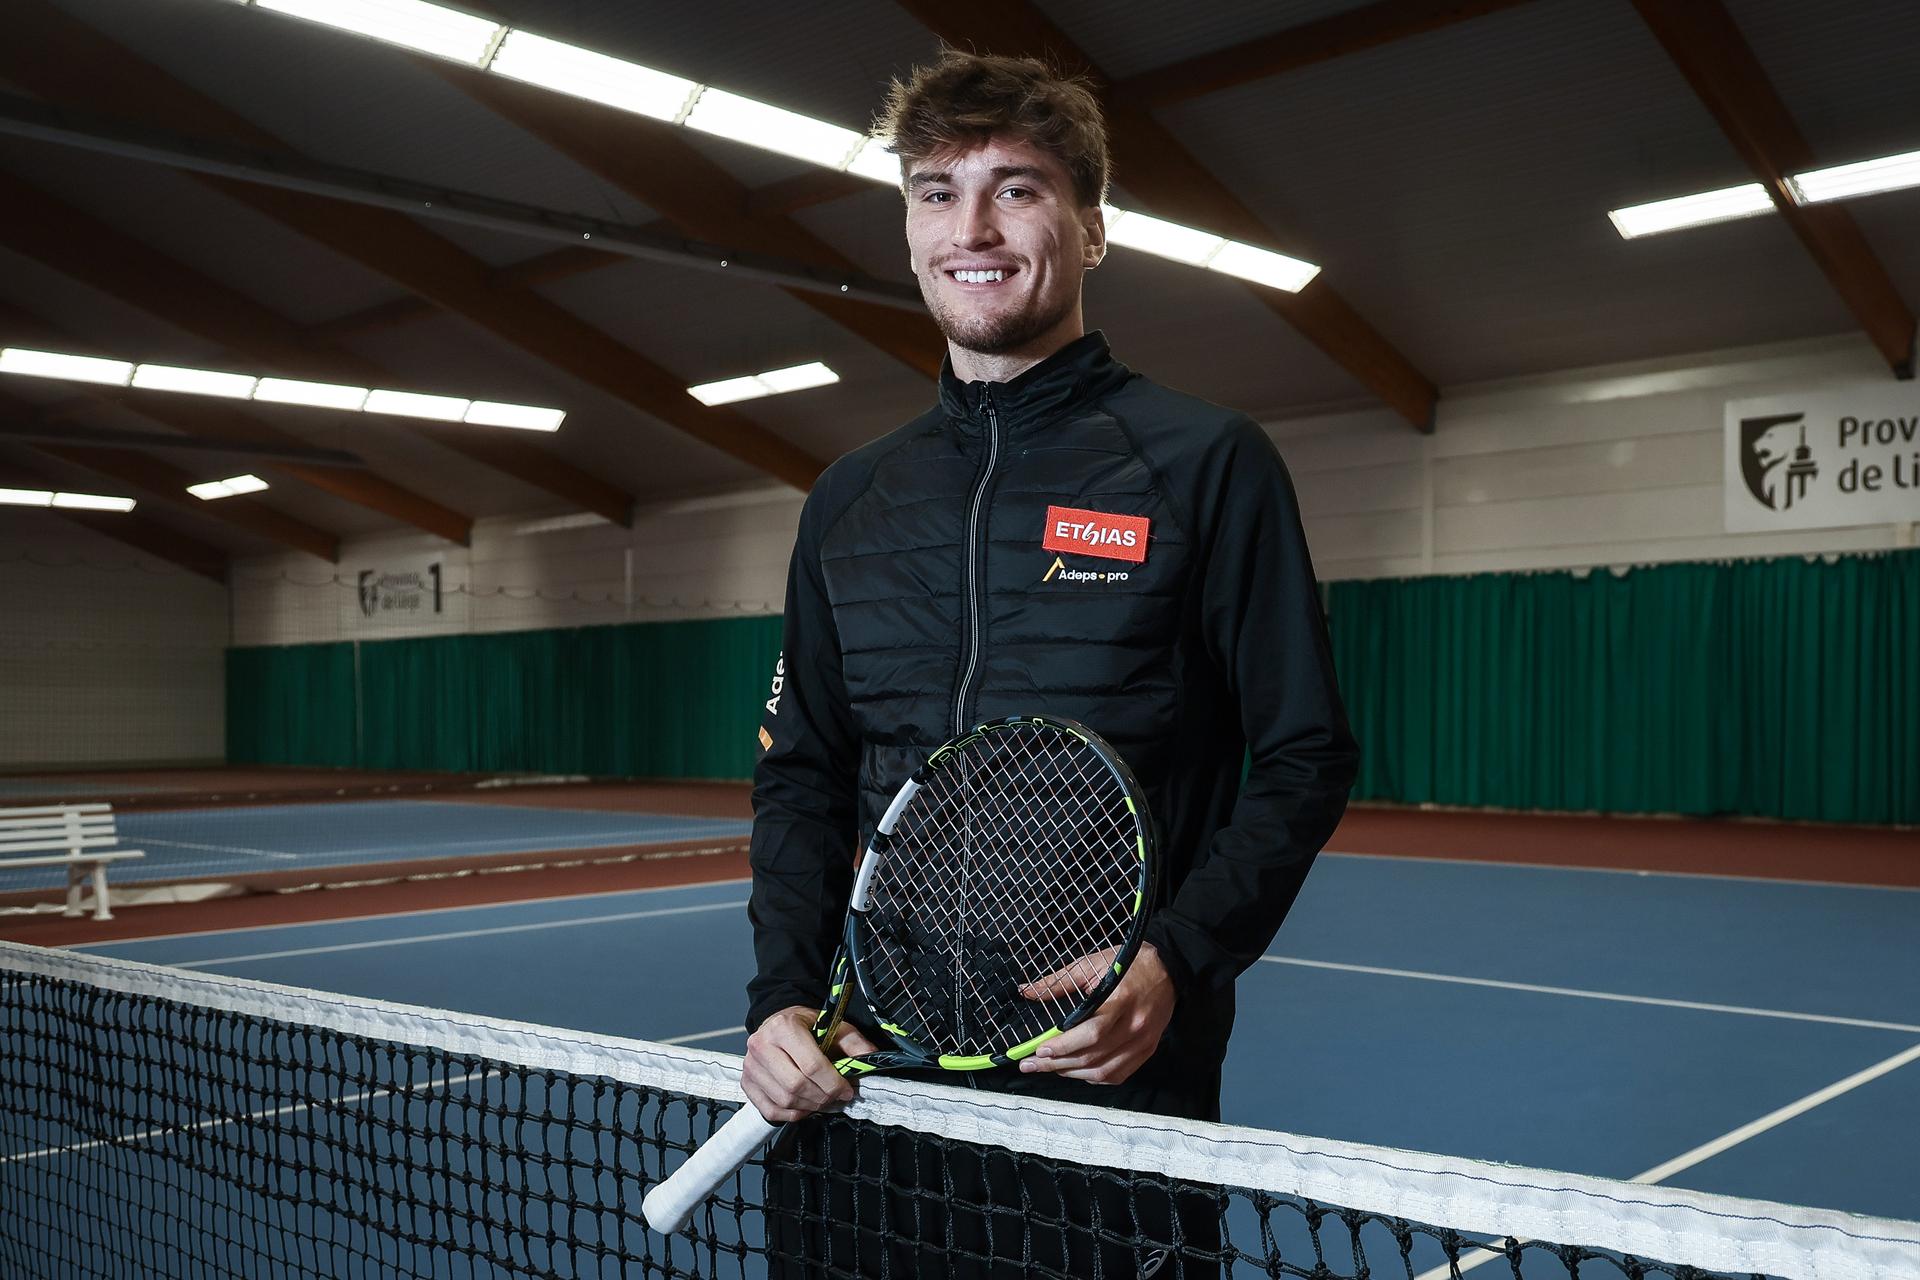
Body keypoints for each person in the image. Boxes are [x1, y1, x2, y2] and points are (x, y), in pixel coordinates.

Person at [740, 48, 1359, 1276]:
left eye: (1016, 187)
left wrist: (1175, 957)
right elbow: (803, 770)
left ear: (1092, 229)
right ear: (908, 227)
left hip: (1110, 1095)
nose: (971, 225)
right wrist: (776, 994)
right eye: (935, 190)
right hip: (872, 1085)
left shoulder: (1202, 462)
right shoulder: (850, 498)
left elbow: (1304, 752)